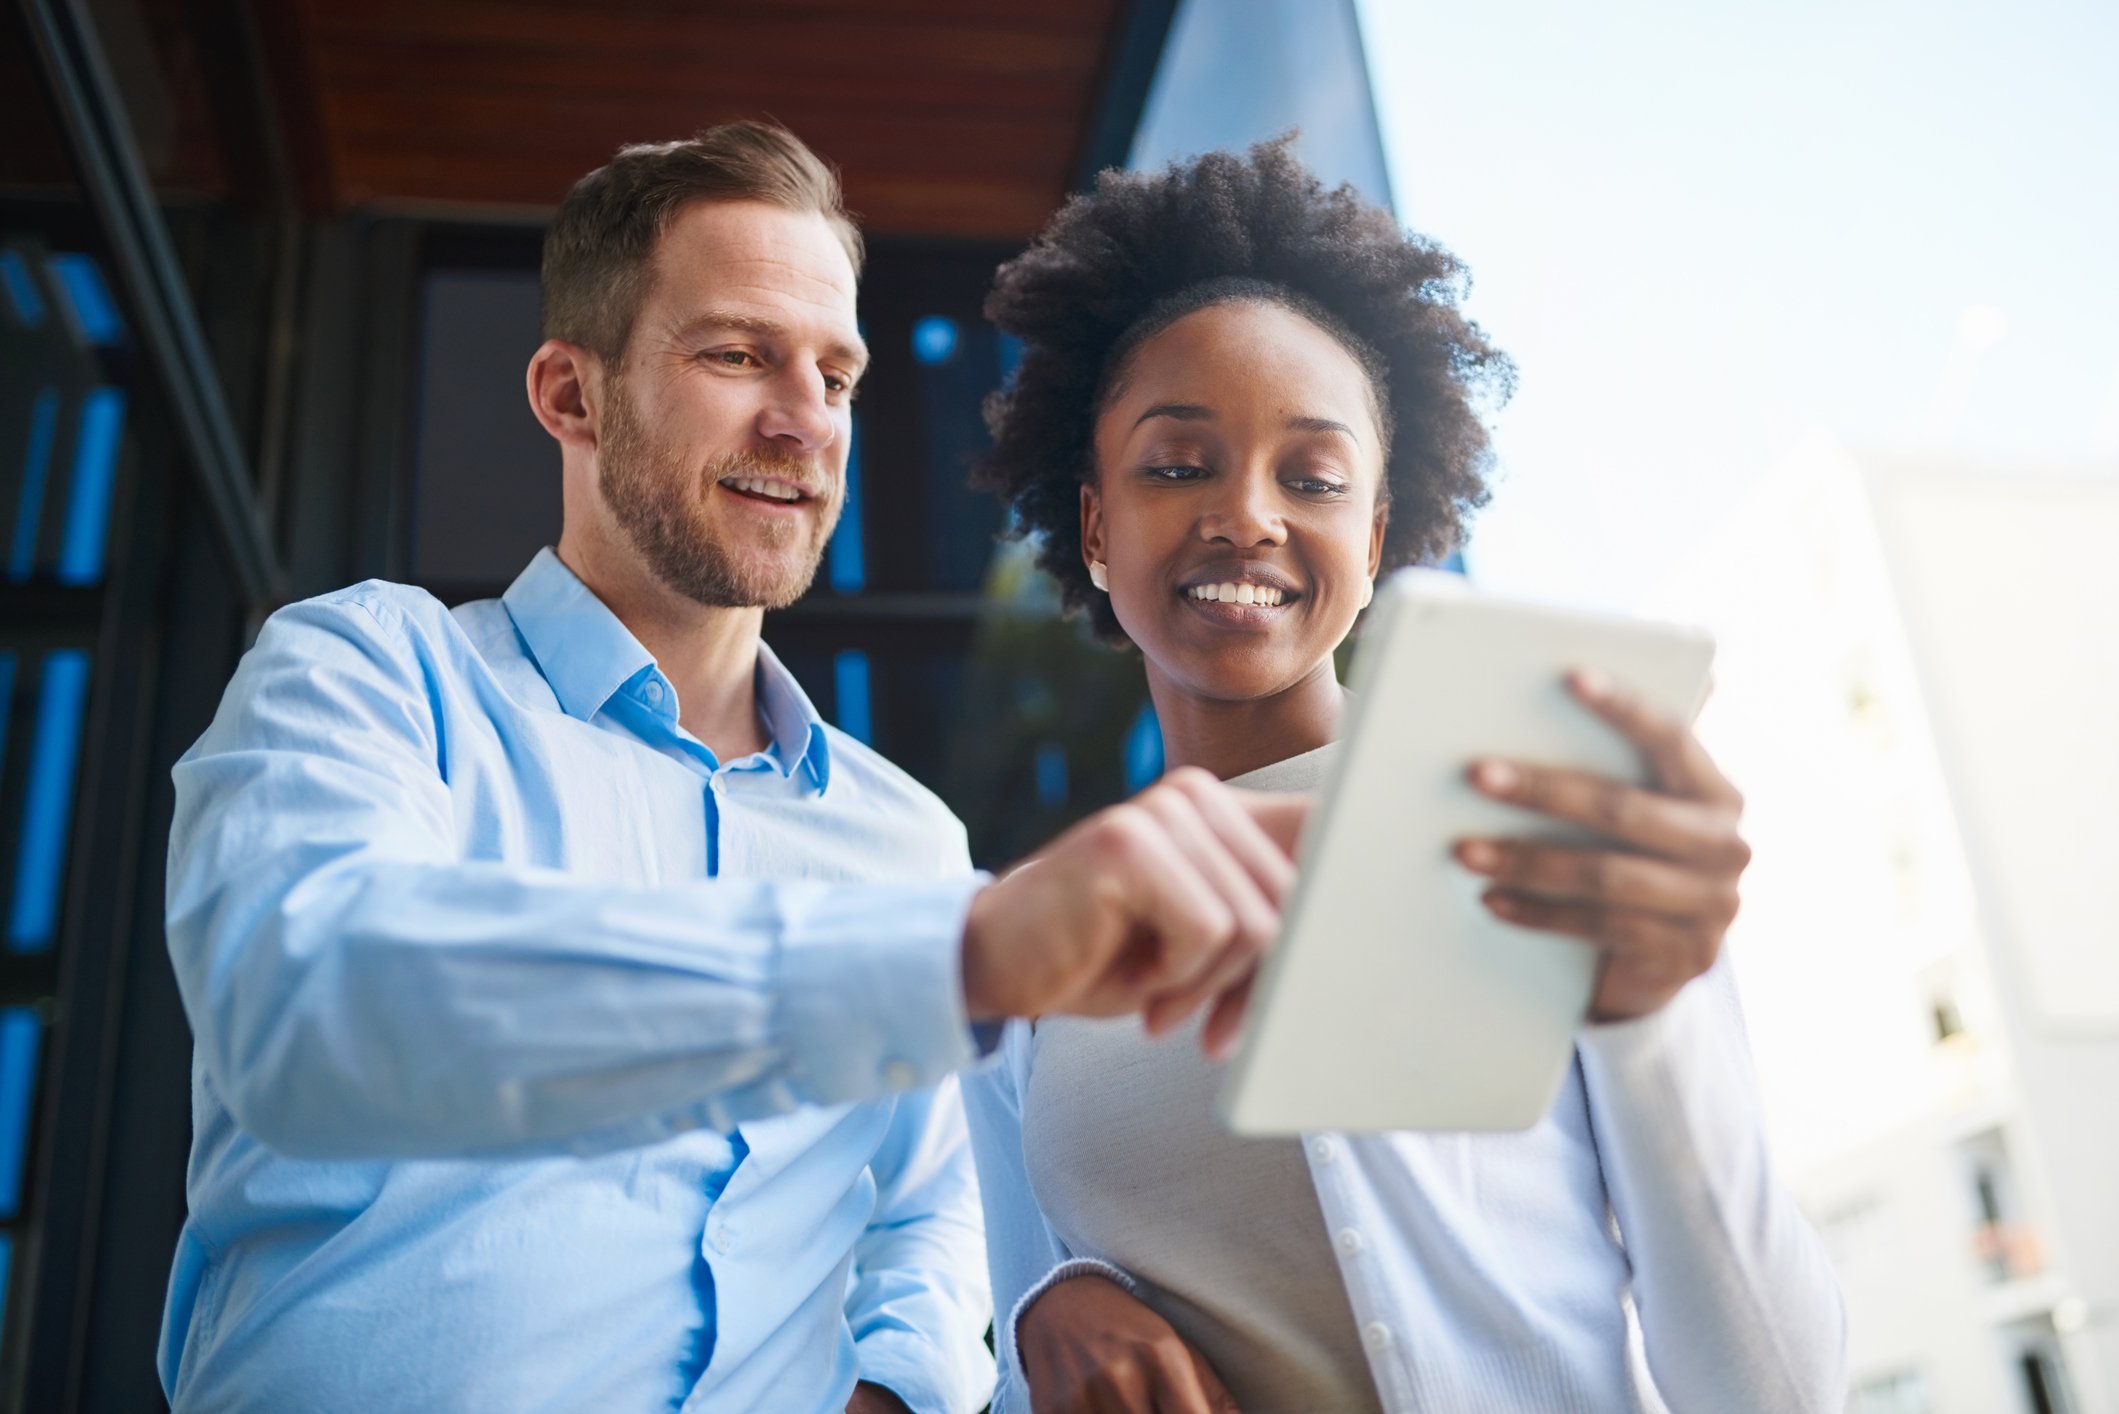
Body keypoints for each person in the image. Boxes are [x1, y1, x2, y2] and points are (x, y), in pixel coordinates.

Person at [156, 122, 1307, 1414]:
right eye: (736, 354)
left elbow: (922, 1221)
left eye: (836, 374)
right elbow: (312, 1001)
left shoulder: (908, 844)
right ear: (568, 394)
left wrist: (896, 1389)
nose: (802, 421)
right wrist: (949, 960)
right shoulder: (368, 671)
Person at [962, 140, 1848, 1414]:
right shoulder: (1031, 929)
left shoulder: (1531, 820)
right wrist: (1047, 1310)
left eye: (1311, 477)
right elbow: (1009, 1348)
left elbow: (1773, 1392)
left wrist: (1648, 1012)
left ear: (1372, 538)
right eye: (1176, 464)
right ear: (1095, 523)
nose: (1247, 516)